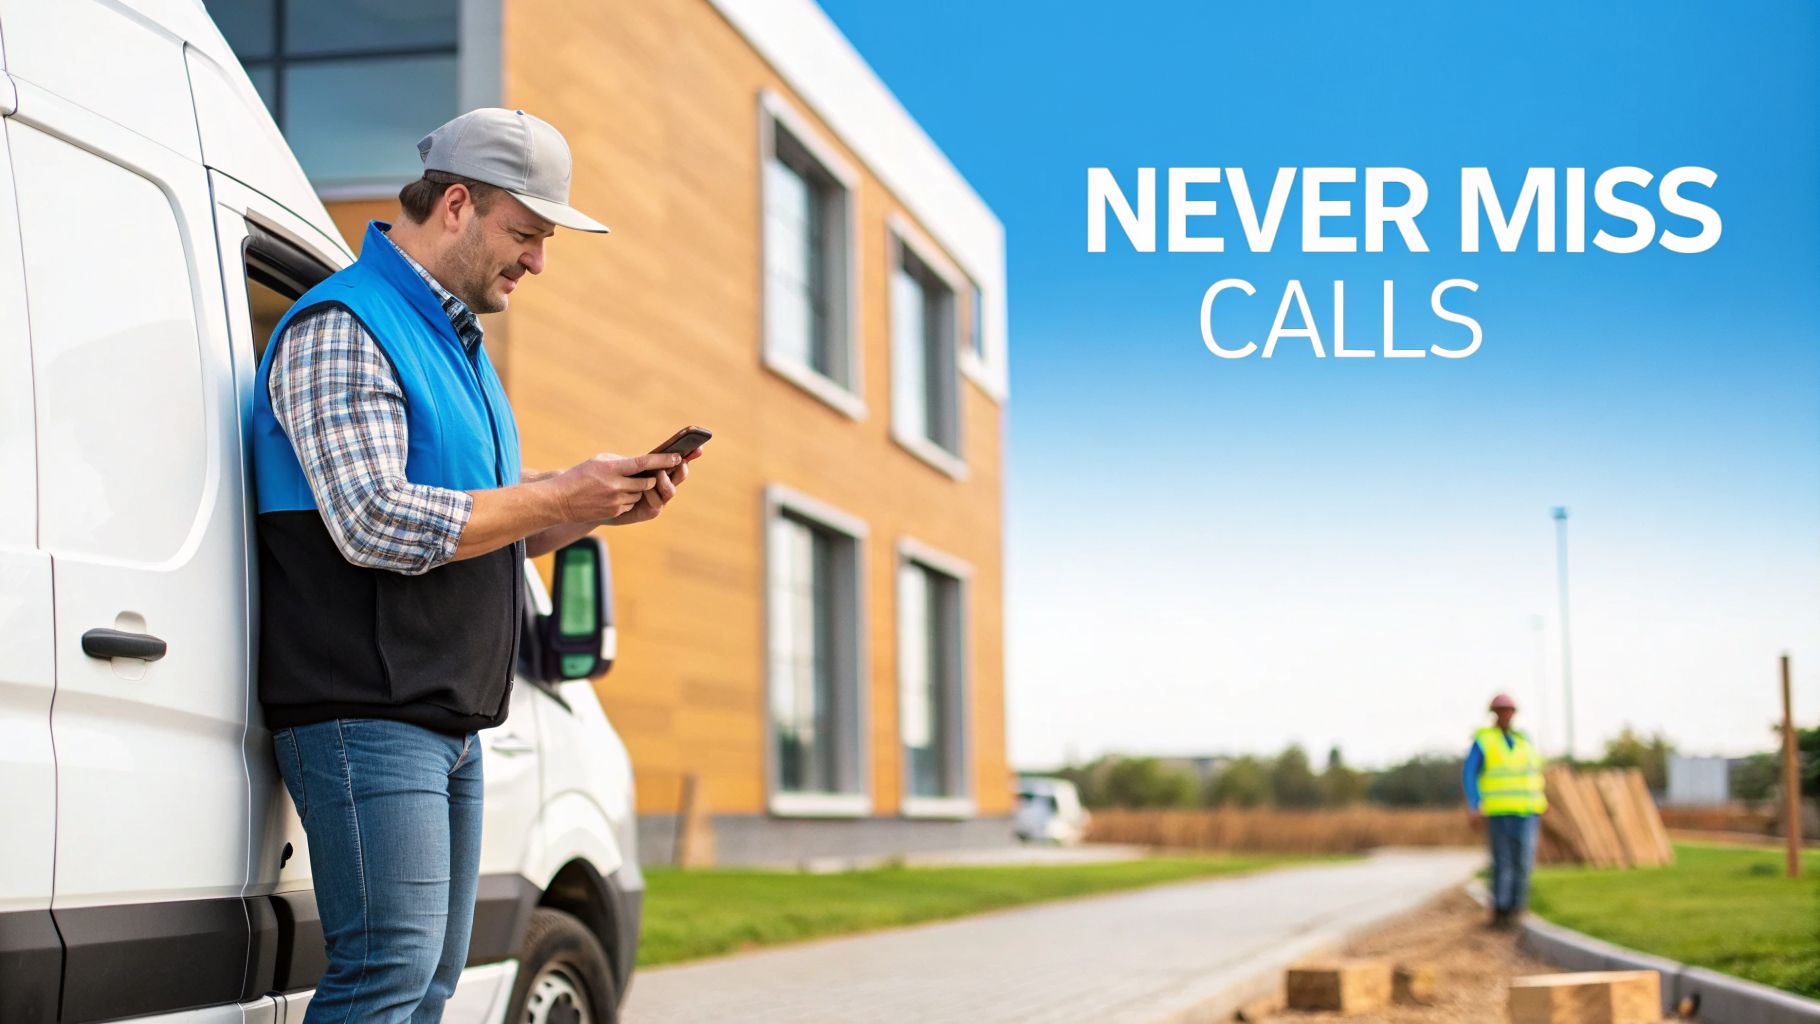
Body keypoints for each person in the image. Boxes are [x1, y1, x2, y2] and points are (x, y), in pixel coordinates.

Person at [250, 108, 700, 1021]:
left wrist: (591, 510)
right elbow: (376, 519)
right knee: (387, 973)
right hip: (366, 709)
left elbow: (476, 526)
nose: (538, 261)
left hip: (445, 717)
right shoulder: (345, 325)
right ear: (456, 204)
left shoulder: (459, 352)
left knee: (431, 984)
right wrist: (559, 494)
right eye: (527, 234)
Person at [1463, 693, 1548, 929]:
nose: (1505, 715)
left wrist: (1541, 802)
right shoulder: (1485, 740)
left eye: (1508, 711)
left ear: (1513, 713)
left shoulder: (1524, 740)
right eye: (1500, 711)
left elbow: (1534, 775)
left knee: (1523, 862)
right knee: (1503, 862)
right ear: (1494, 713)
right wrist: (1474, 804)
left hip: (1527, 812)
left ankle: (1517, 908)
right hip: (1499, 812)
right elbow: (1470, 773)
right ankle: (1500, 910)